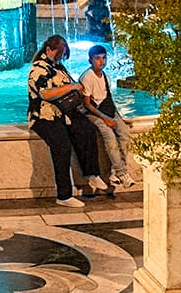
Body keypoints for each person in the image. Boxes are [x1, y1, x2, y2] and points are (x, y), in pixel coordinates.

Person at [27, 34, 94, 208]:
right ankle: (64, 195)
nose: (62, 58)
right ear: (49, 49)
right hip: (42, 117)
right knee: (62, 145)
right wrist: (71, 87)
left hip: (60, 113)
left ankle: (92, 174)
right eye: (59, 55)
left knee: (86, 128)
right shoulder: (39, 68)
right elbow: (45, 93)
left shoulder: (58, 66)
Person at [80, 44, 141, 196]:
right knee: (110, 137)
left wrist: (118, 117)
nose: (101, 61)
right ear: (90, 60)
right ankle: (122, 173)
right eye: (97, 58)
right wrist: (106, 119)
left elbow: (108, 99)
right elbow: (87, 104)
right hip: (94, 113)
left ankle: (115, 171)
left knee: (125, 132)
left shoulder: (105, 75)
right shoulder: (87, 77)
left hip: (108, 110)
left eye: (103, 58)